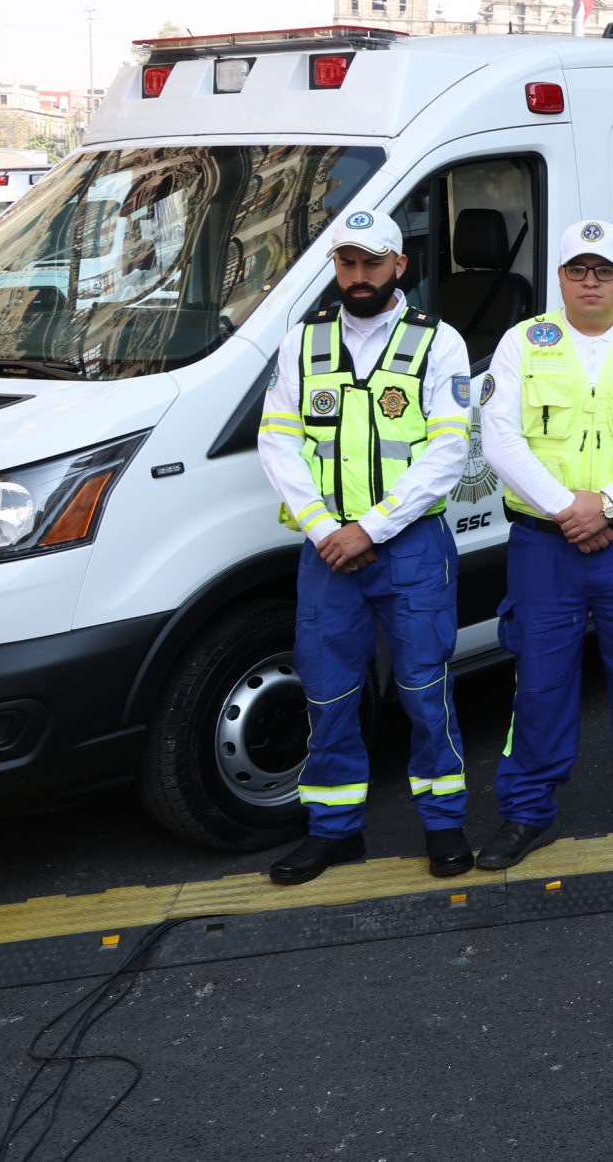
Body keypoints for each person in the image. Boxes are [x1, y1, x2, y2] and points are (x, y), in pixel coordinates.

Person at [255, 209, 473, 884]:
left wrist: (368, 528)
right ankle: (333, 829)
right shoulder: (304, 342)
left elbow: (449, 451)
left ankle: (444, 825)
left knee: (423, 689)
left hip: (407, 546)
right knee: (327, 693)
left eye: (371, 262)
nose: (358, 275)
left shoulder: (438, 343)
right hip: (329, 555)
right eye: (347, 263)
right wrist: (325, 529)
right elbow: (277, 440)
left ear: (399, 266)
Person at [475, 220, 613, 869]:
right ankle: (526, 812)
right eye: (579, 269)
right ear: (561, 276)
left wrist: (605, 504)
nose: (591, 281)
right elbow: (500, 438)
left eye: (604, 269)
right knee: (539, 683)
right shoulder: (524, 342)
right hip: (545, 545)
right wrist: (564, 508)